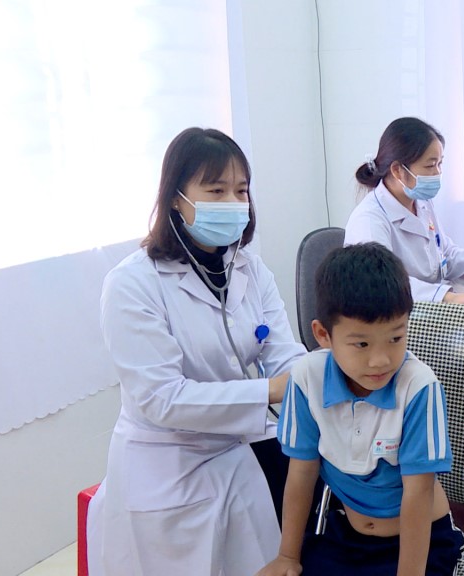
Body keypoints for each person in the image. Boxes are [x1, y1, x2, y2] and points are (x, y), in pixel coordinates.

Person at [86, 127, 308, 575]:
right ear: (176, 198)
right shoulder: (132, 284)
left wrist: (314, 377)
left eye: (241, 190)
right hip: (169, 464)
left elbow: (284, 352)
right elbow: (161, 398)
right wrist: (270, 391)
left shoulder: (249, 268)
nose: (234, 203)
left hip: (237, 444)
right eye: (216, 190)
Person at [258, 242, 464, 576]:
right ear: (323, 334)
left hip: (421, 540)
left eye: (395, 338)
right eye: (362, 344)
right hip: (348, 537)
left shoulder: (418, 388)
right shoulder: (306, 379)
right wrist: (287, 556)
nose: (380, 360)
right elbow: (302, 473)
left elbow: (418, 493)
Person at [345, 116, 464, 306]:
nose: (438, 172)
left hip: (431, 307)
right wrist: (448, 297)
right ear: (397, 170)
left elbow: (445, 254)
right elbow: (382, 284)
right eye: (430, 165)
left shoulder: (421, 202)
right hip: (397, 317)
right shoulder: (369, 220)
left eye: (440, 163)